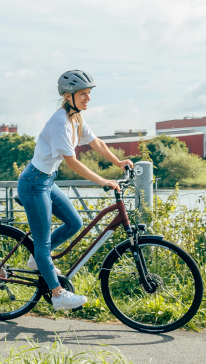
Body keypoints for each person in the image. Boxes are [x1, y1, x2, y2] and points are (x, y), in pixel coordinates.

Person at [17, 70, 134, 310]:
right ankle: (57, 294)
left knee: (74, 222)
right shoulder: (60, 122)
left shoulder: (76, 118)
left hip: (47, 180)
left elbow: (96, 142)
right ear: (68, 96)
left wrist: (118, 162)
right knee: (42, 243)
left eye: (89, 94)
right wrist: (102, 180)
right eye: (83, 94)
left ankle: (38, 260)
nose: (88, 98)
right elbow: (72, 162)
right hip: (33, 183)